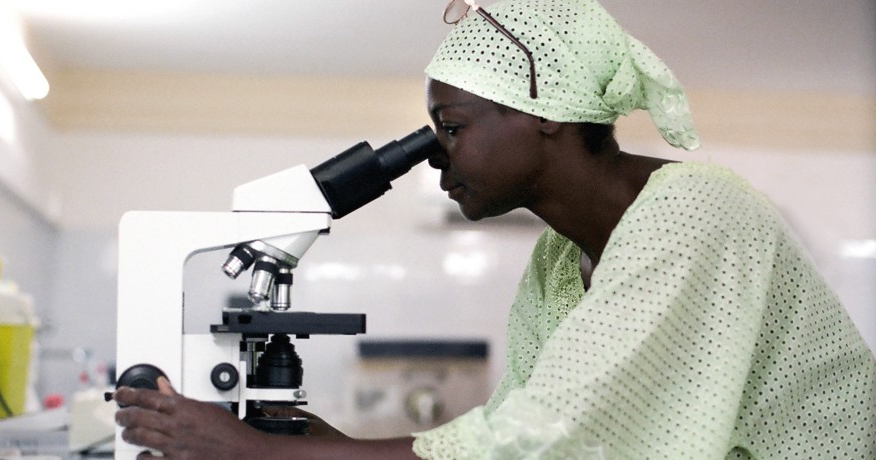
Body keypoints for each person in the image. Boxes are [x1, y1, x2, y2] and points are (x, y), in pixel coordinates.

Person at [113, 0, 876, 458]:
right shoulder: (555, 261)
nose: (434, 157)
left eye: (449, 126)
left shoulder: (697, 211)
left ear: (543, 114)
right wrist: (331, 449)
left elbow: (542, 446)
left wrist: (251, 454)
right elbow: (518, 432)